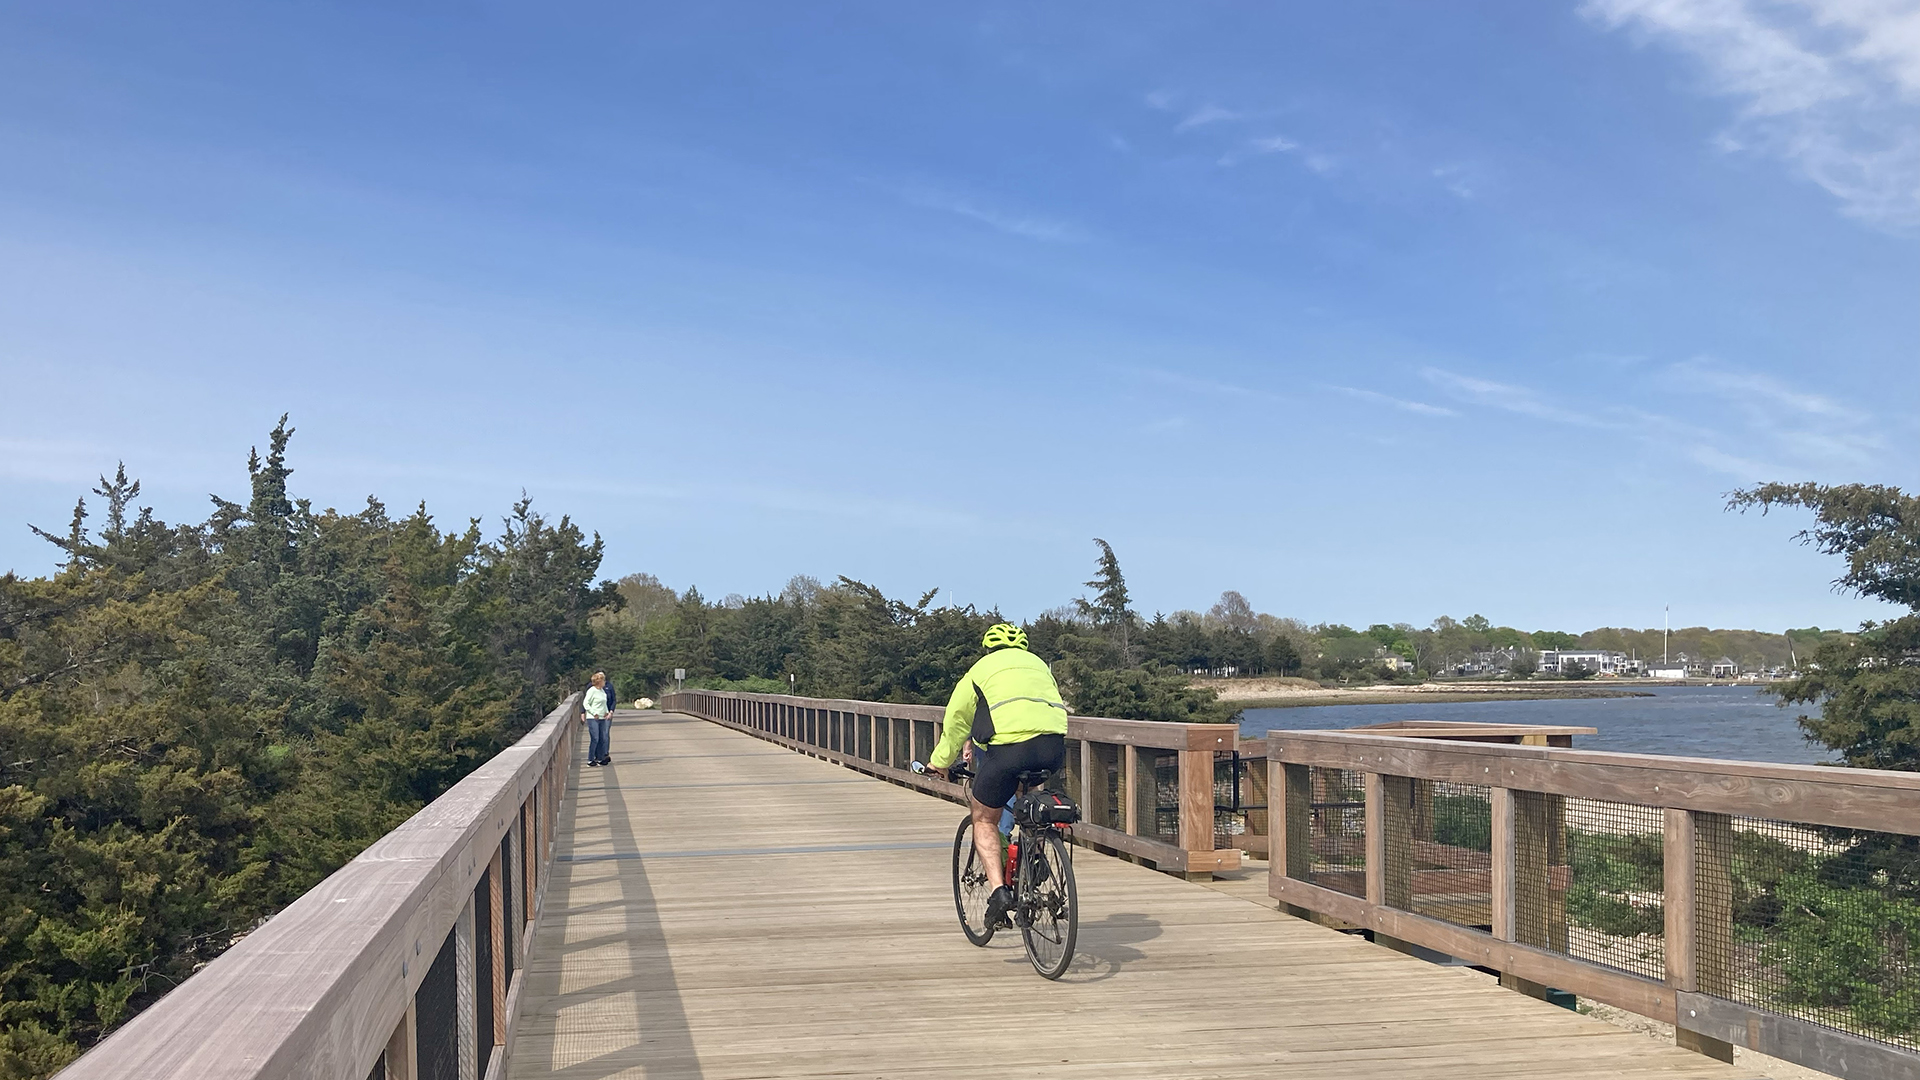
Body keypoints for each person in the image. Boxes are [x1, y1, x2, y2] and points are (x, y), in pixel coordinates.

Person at [923, 623, 1068, 929]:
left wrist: (940, 762)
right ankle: (1035, 851)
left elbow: (957, 721)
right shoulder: (1040, 666)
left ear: (989, 648)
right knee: (1030, 801)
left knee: (984, 818)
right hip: (1053, 747)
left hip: (1008, 751)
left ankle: (1000, 892)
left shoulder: (980, 669)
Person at [584, 671, 613, 767]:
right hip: (593, 718)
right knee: (595, 738)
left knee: (602, 738)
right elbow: (586, 703)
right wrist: (593, 712)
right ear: (598, 681)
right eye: (603, 680)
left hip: (602, 717)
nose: (605, 682)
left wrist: (607, 712)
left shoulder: (602, 691)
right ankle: (590, 759)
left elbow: (604, 703)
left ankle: (600, 758)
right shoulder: (591, 691)